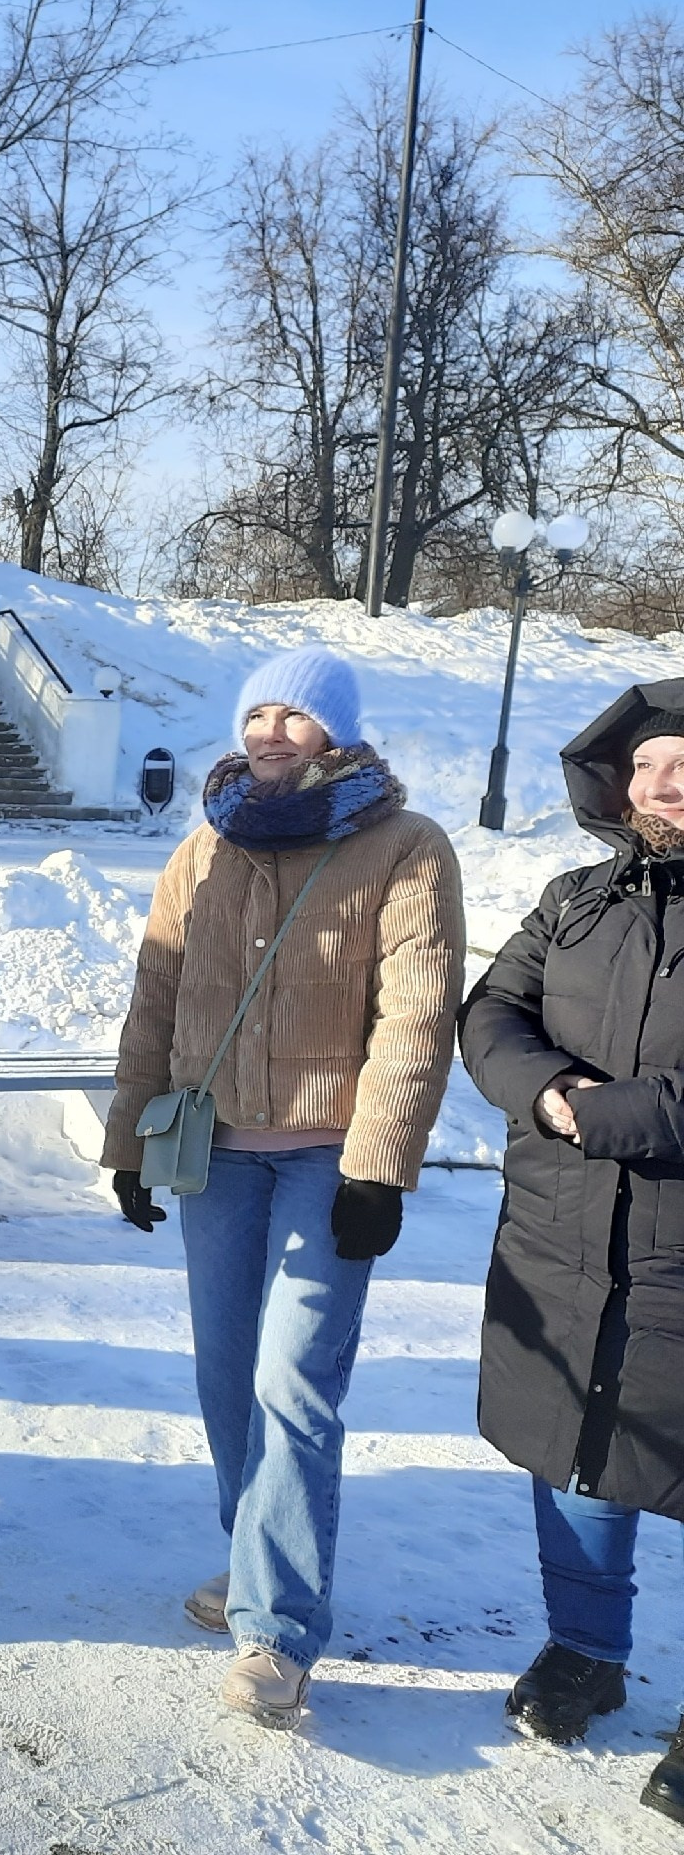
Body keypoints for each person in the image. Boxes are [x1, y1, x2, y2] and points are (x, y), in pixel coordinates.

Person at [103, 648, 463, 1726]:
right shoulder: (202, 845)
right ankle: (257, 1559)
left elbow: (417, 1013)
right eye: (256, 713)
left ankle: (276, 1628)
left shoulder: (404, 849)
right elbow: (155, 998)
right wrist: (128, 1141)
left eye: (293, 718)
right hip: (211, 1149)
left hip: (325, 1154)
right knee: (224, 1376)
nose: (268, 732)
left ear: (336, 737)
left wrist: (378, 1166)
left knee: (293, 1385)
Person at [458, 680, 684, 1824]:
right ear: (619, 782)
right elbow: (491, 1011)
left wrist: (614, 1115)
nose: (669, 782)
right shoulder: (574, 900)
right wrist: (548, 1093)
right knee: (579, 1455)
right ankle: (584, 1650)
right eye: (652, 764)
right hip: (562, 1234)